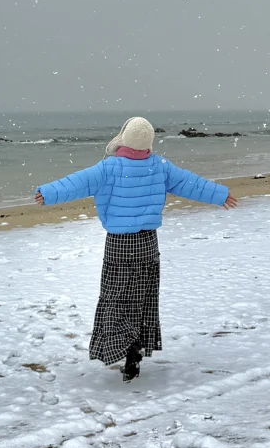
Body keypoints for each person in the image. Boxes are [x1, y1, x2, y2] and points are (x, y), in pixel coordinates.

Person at [34, 117, 237, 381]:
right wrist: (219, 195)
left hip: (119, 244)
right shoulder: (160, 166)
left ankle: (120, 347)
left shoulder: (109, 168)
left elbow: (77, 182)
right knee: (142, 299)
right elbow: (191, 183)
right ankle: (135, 351)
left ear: (124, 138)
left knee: (115, 298)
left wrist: (47, 193)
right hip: (148, 244)